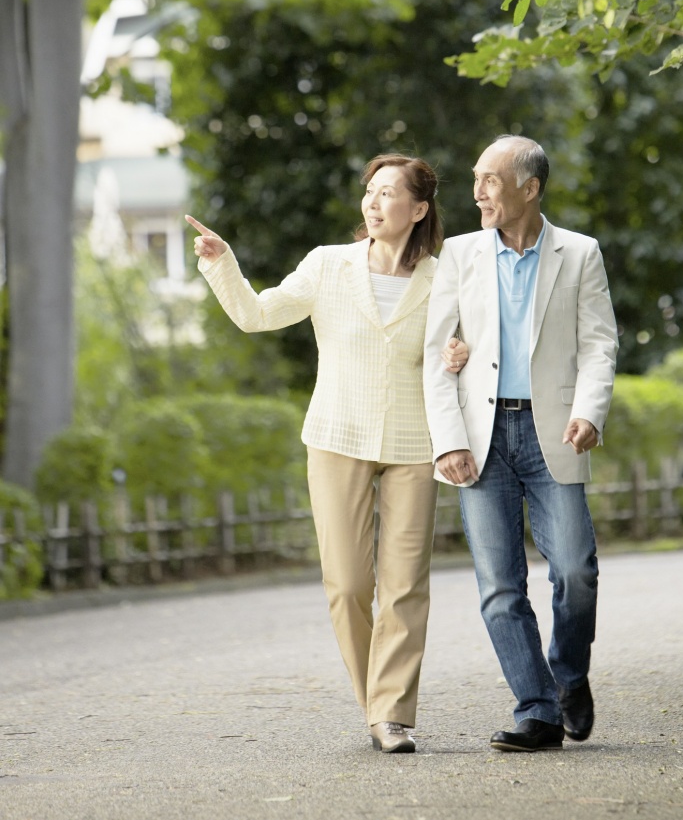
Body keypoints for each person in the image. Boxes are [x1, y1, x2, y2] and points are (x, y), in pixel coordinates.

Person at [186, 154, 467, 755]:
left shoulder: (445, 277)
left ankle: (391, 713)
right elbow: (258, 315)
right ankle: (376, 699)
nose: (373, 201)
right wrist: (222, 265)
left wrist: (460, 357)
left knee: (405, 583)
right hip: (337, 436)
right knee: (346, 584)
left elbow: (462, 349)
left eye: (388, 193)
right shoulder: (328, 265)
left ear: (418, 210)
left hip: (416, 444)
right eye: (370, 191)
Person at [423, 135, 618, 753]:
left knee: (576, 572)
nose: (478, 191)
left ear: (528, 189)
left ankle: (569, 678)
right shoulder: (457, 255)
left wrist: (590, 411)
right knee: (500, 587)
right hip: (481, 438)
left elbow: (599, 345)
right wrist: (447, 440)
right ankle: (536, 711)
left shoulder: (580, 253)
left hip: (552, 430)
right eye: (475, 178)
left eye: (490, 180)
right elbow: (437, 353)